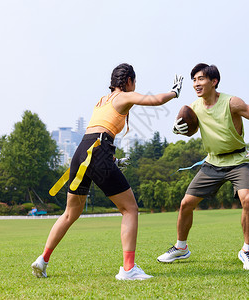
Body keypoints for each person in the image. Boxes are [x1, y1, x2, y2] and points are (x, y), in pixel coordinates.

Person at [31, 63, 184, 280]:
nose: (134, 87)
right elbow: (155, 100)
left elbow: (96, 135)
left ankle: (42, 260)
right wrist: (174, 93)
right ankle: (129, 269)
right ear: (129, 81)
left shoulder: (101, 101)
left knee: (69, 213)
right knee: (130, 209)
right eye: (134, 82)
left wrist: (112, 161)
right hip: (97, 154)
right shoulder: (122, 97)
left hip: (82, 153)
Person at [157, 63, 249, 271]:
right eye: (194, 80)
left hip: (237, 161)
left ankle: (247, 250)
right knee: (185, 204)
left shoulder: (231, 102)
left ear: (213, 82)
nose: (196, 84)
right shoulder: (194, 108)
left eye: (200, 79)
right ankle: (181, 247)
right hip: (212, 162)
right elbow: (189, 129)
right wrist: (178, 130)